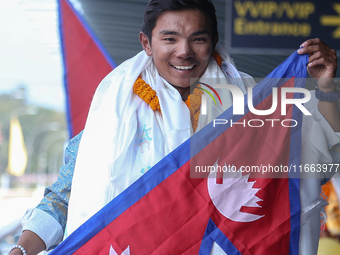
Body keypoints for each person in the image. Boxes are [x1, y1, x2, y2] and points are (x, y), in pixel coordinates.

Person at [9, 0, 339, 254]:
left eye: (197, 39)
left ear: (213, 42)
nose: (184, 52)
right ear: (146, 43)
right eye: (170, 38)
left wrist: (326, 89)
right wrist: (22, 249)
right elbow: (62, 198)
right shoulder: (113, 112)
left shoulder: (250, 105)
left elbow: (313, 166)